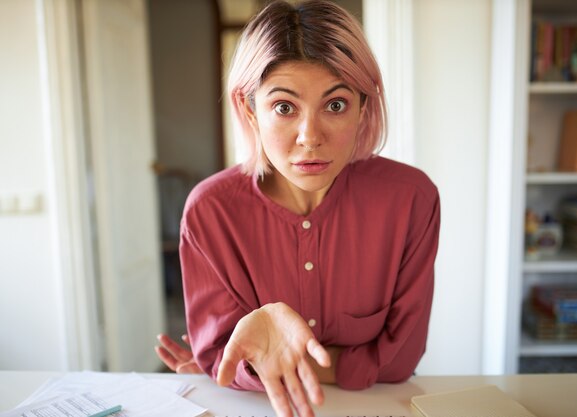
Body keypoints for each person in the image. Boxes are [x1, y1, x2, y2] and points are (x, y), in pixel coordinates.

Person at [156, 1, 440, 417]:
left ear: (364, 107)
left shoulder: (411, 199)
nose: (310, 137)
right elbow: (219, 360)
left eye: (336, 104)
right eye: (284, 107)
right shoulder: (210, 211)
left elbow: (400, 361)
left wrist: (265, 364)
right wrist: (349, 362)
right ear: (250, 110)